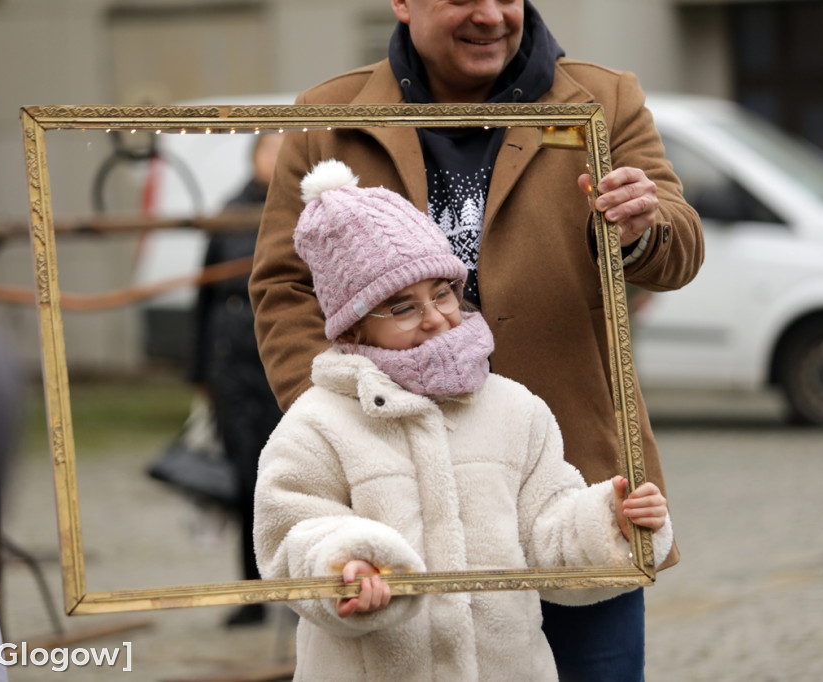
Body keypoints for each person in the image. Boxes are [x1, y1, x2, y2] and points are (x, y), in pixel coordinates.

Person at [249, 1, 704, 677]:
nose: (491, 14)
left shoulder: (604, 98)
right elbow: (284, 288)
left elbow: (679, 248)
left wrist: (640, 230)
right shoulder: (327, 113)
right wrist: (344, 419)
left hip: (573, 486)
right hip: (396, 502)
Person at [188, 132, 285, 626]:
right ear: (254, 158)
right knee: (247, 478)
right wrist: (200, 371)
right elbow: (202, 296)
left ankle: (301, 587)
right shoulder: (228, 213)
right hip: (234, 361)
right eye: (272, 148)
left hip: (284, 359)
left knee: (297, 474)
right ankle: (253, 593)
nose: (279, 155)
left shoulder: (302, 209)